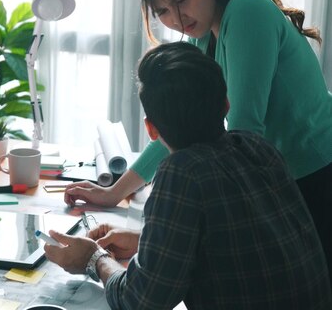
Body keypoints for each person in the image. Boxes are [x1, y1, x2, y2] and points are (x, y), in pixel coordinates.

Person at [64, 0, 332, 282]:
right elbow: (176, 128)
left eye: (180, 0)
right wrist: (113, 192)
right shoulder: (202, 35)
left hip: (315, 175)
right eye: (162, 12)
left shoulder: (247, 11)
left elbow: (245, 131)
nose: (177, 19)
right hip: (278, 180)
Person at [46, 42, 332, 309]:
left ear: (151, 129)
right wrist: (146, 239)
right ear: (226, 105)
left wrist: (94, 258)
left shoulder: (182, 173)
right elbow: (230, 240)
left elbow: (142, 300)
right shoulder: (257, 148)